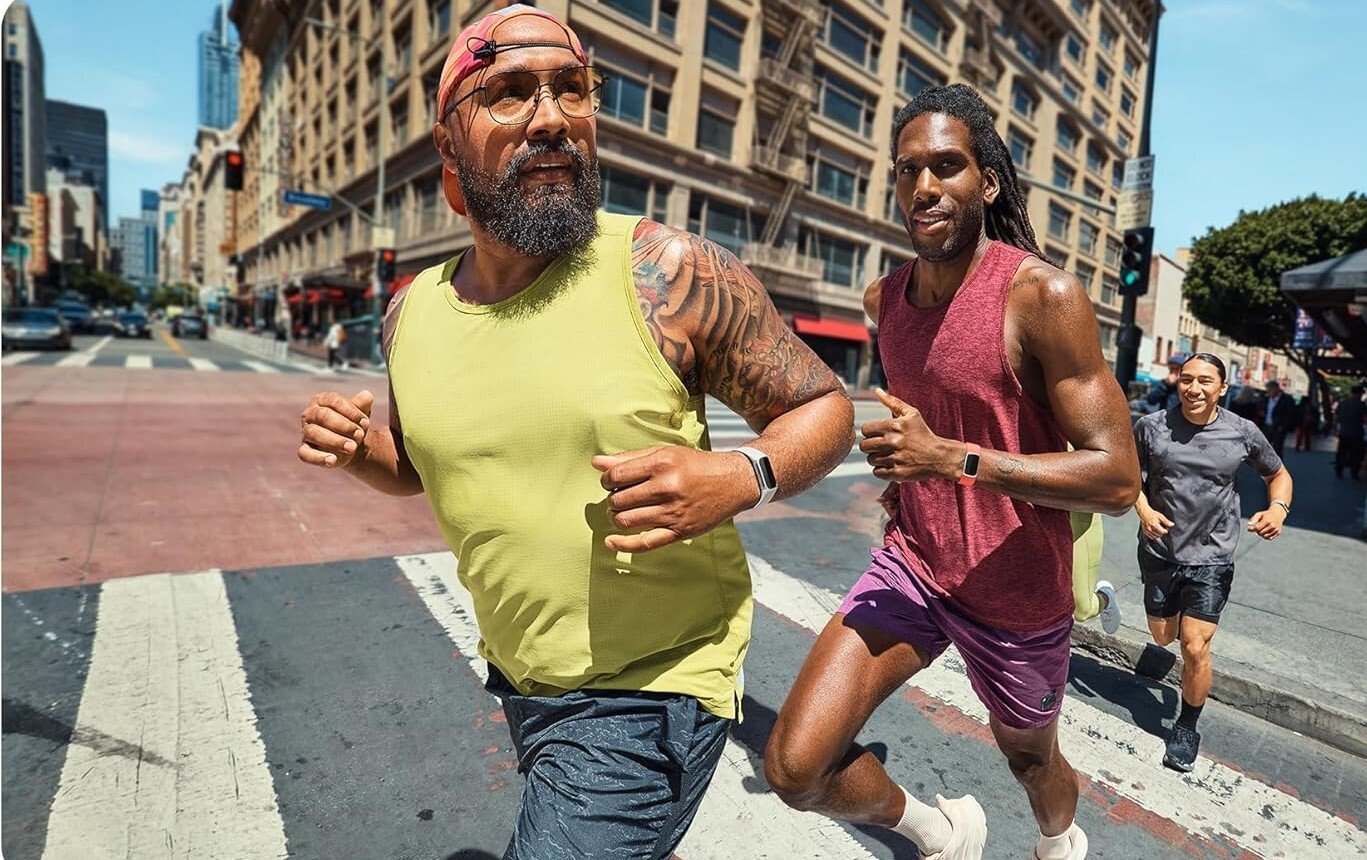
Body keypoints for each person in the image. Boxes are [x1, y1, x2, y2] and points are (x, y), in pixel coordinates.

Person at [297, 8, 855, 857]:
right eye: (511, 92)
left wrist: (742, 476)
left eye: (571, 89)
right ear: (450, 153)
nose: (553, 115)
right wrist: (359, 450)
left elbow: (826, 409)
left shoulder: (666, 270)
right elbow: (422, 461)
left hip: (654, 688)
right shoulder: (411, 311)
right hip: (522, 677)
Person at [763, 85, 1139, 860]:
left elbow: (1118, 479)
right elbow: (930, 413)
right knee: (795, 768)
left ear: (987, 182)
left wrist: (952, 459)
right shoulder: (885, 299)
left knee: (1031, 762)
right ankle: (942, 834)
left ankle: (1060, 843)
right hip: (915, 567)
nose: (925, 186)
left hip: (1017, 594)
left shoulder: (1043, 296)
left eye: (947, 166)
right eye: (908, 171)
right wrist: (909, 474)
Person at [1132, 353, 1293, 773]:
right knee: (1164, 636)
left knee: (1195, 645)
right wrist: (1143, 511)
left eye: (1205, 381)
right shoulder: (1150, 428)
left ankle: (1186, 726)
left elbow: (1278, 474)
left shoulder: (1242, 432)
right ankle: (1166, 645)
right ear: (1177, 382)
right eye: (1187, 379)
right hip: (1160, 551)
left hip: (1212, 555)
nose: (1194, 388)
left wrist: (1278, 509)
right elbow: (1129, 480)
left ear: (1223, 388)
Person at [1333, 385, 1367, 479]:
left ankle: (1339, 470)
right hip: (1356, 433)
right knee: (1356, 454)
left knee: (1341, 452)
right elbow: (1366, 420)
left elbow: (1337, 418)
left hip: (1344, 432)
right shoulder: (1362, 404)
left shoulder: (1342, 403)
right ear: (1359, 393)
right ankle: (1354, 473)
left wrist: (1335, 428)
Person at [1261, 380, 1297, 455]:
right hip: (1267, 426)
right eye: (1268, 390)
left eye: (1270, 390)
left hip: (1279, 428)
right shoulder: (1267, 399)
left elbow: (1291, 414)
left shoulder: (1286, 399)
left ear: (1276, 389)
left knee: (1277, 448)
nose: (1268, 392)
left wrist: (1283, 426)